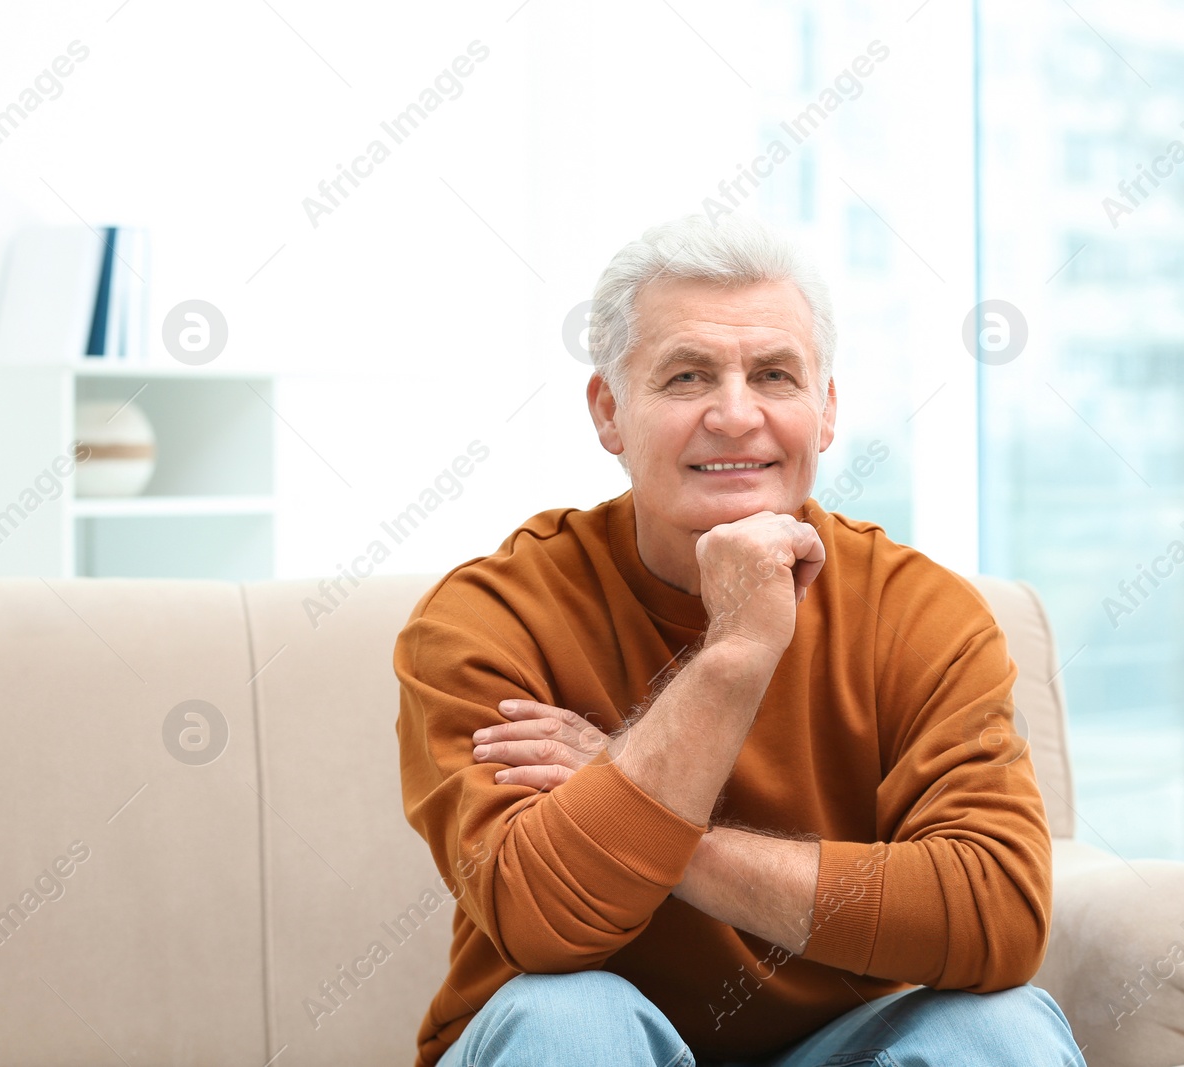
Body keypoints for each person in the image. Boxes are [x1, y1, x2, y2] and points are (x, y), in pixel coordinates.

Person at [393, 213, 1086, 1067]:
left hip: (833, 1049)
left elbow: (997, 916)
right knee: (569, 1015)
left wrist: (638, 803)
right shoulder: (486, 618)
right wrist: (737, 653)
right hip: (580, 1040)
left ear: (825, 411)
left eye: (774, 375)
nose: (734, 413)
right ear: (610, 411)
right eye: (687, 376)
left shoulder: (920, 612)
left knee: (1000, 1031)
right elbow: (547, 920)